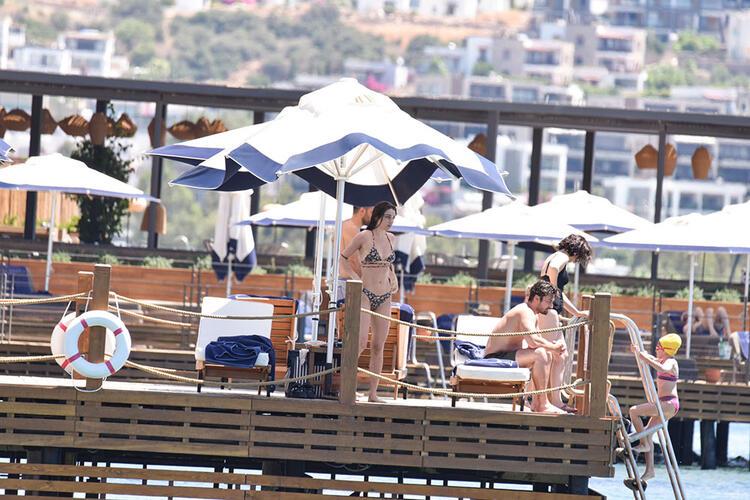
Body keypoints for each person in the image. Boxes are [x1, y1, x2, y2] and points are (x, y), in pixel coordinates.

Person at [340, 201, 398, 402]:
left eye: (393, 217)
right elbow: (343, 257)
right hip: (365, 293)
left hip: (385, 295)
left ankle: (373, 393)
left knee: (378, 345)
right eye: (387, 216)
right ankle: (346, 387)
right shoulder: (364, 236)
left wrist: (393, 276)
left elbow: (388, 264)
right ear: (378, 216)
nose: (390, 221)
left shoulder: (392, 238)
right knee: (360, 343)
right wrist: (354, 277)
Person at [485, 280, 566, 414]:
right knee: (541, 354)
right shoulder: (525, 312)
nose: (551, 306)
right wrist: (554, 348)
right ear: (536, 298)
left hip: (508, 356)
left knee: (544, 353)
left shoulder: (532, 313)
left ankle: (536, 402)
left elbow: (536, 341)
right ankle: (543, 404)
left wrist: (552, 348)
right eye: (548, 301)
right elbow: (533, 341)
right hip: (494, 358)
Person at [536, 234, 592, 413]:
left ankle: (553, 400)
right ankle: (545, 401)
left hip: (548, 311)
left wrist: (576, 312)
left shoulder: (555, 255)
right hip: (549, 312)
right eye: (578, 257)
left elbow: (559, 291)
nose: (576, 261)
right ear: (575, 252)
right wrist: (553, 295)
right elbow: (553, 272)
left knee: (559, 355)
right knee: (553, 355)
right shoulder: (562, 257)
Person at [629, 333, 681, 482]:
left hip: (669, 403)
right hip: (664, 403)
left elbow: (662, 368)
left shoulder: (671, 362)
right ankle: (650, 471)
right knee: (648, 434)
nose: (656, 349)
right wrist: (638, 352)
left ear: (666, 349)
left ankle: (643, 443)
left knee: (634, 411)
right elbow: (650, 358)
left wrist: (645, 358)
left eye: (658, 347)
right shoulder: (662, 359)